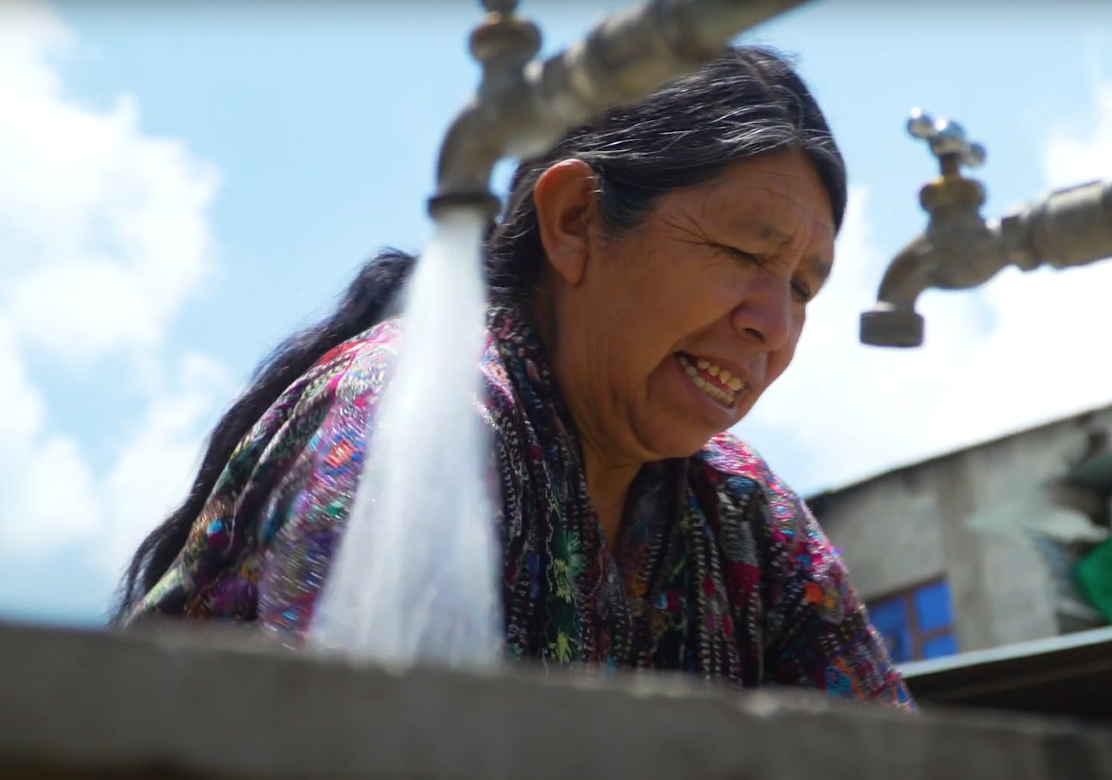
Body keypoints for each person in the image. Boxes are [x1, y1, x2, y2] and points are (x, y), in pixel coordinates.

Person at [115, 46, 915, 711]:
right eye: (741, 251)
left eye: (802, 288)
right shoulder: (418, 419)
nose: (773, 324)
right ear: (574, 221)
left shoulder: (743, 517)